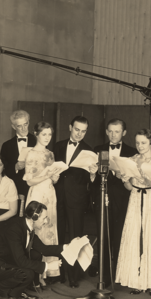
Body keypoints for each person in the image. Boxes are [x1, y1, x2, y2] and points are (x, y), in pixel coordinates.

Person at [115, 129, 151, 296]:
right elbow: (129, 187)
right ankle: (137, 281)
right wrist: (125, 179)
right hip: (135, 198)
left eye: (143, 143)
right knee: (134, 235)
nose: (140, 146)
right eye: (138, 142)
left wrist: (150, 181)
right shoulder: (132, 160)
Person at [0, 201, 64, 299]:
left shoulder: (28, 226)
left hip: (5, 259)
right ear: (34, 217)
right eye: (44, 218)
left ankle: (15, 293)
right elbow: (21, 261)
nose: (46, 221)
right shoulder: (14, 229)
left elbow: (44, 249)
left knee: (35, 255)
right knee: (26, 273)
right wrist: (47, 266)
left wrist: (67, 247)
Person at [90, 118, 137, 287]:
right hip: (102, 198)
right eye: (110, 131)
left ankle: (120, 273)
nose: (113, 134)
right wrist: (93, 174)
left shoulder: (132, 152)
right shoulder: (97, 150)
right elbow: (93, 181)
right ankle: (104, 277)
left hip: (124, 200)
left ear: (124, 133)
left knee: (120, 236)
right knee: (103, 236)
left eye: (117, 131)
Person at [53, 116, 97, 288]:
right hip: (57, 197)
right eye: (77, 129)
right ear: (70, 127)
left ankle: (73, 275)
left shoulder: (89, 150)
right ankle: (58, 273)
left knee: (75, 237)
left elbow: (90, 180)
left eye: (83, 131)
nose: (79, 134)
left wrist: (93, 174)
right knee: (58, 235)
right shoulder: (58, 145)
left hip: (77, 201)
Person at [23, 121, 60, 284]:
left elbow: (53, 177)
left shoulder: (51, 154)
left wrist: (55, 177)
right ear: (36, 134)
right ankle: (35, 273)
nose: (47, 138)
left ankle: (47, 271)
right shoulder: (30, 154)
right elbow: (29, 182)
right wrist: (47, 176)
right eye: (44, 134)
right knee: (37, 230)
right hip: (37, 193)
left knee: (49, 229)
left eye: (50, 134)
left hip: (50, 194)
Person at [0, 110, 36, 199]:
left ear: (29, 122)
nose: (24, 129)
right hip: (14, 188)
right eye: (19, 126)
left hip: (34, 187)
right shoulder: (6, 145)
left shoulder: (38, 141)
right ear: (13, 127)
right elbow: (2, 169)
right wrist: (15, 167)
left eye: (26, 124)